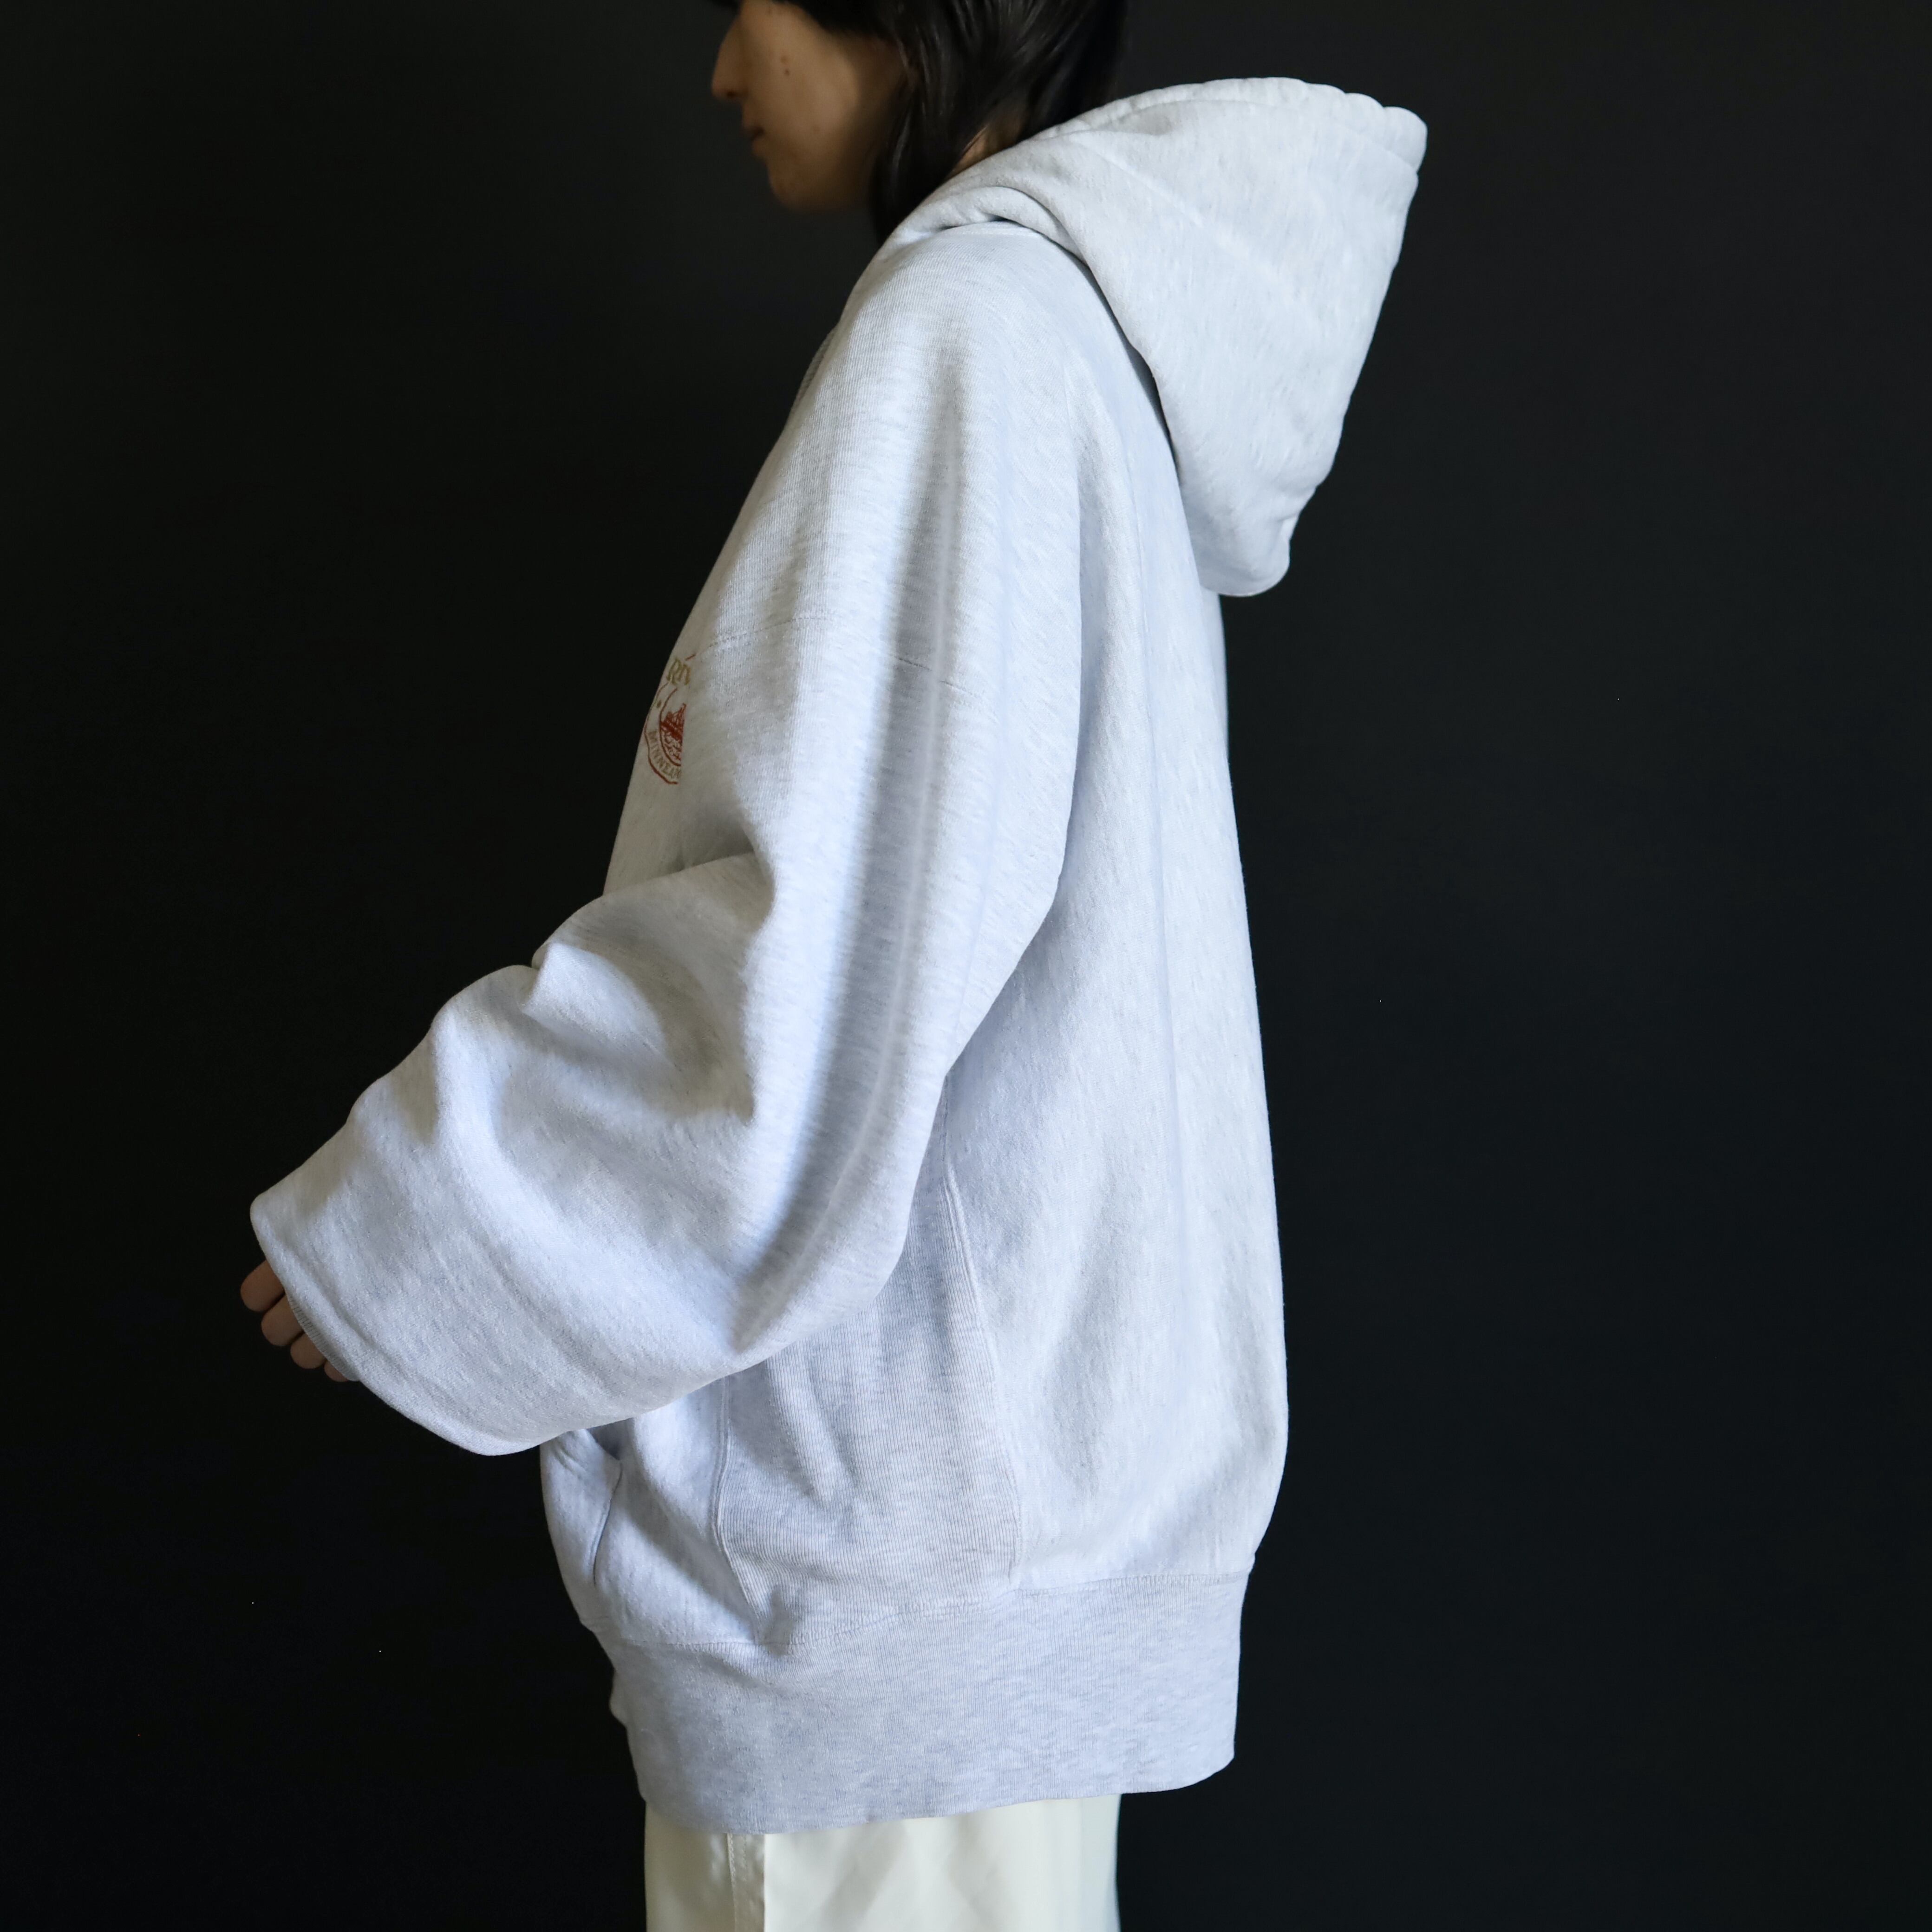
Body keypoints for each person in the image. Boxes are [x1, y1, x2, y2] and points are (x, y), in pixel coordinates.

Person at [239, 1, 1425, 1922]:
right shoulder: (1066, 339)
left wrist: (426, 1219)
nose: (723, 68)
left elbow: (810, 975)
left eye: (757, 0)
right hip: (980, 1548)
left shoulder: (968, 339)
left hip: (888, 1569)